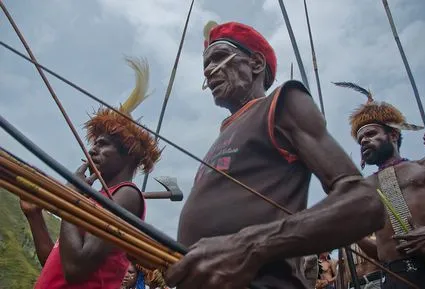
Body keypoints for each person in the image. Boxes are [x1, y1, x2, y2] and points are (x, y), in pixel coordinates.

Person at [164, 21, 385, 289]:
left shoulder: (280, 103)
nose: (210, 71)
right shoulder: (223, 134)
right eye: (205, 66)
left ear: (256, 64)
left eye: (219, 58)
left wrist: (249, 246)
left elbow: (363, 203)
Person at [20, 57, 161, 289]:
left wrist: (69, 200)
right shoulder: (92, 201)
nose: (93, 149)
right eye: (94, 143)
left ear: (129, 153)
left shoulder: (126, 194)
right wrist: (34, 216)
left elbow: (77, 269)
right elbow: (56, 264)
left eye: (103, 144)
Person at [335, 82, 425, 288]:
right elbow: (380, 253)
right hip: (395, 277)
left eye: (371, 134)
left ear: (393, 135)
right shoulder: (365, 187)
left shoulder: (424, 166)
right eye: (361, 138)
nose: (364, 141)